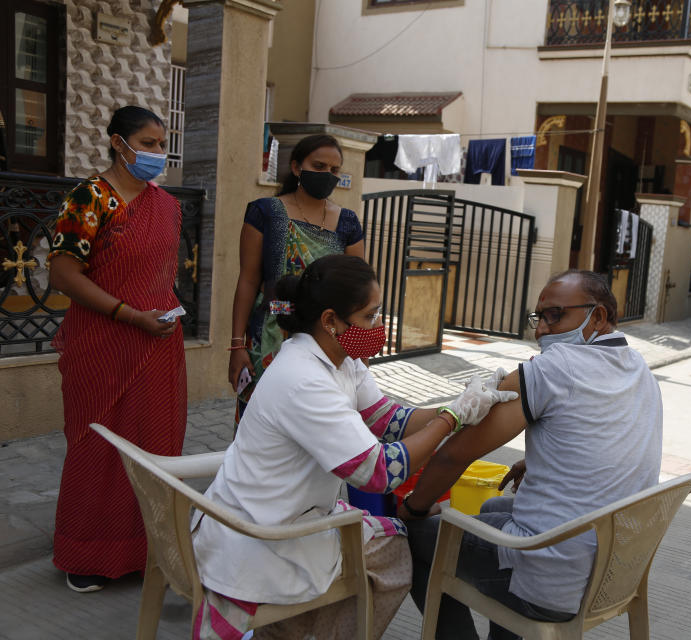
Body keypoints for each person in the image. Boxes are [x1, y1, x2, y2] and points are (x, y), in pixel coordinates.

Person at [192, 254, 517, 640]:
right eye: (370, 316)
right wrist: (452, 418)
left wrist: (463, 402)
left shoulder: (340, 358)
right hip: (261, 536)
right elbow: (379, 472)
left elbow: (388, 419)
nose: (378, 328)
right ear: (330, 320)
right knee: (396, 552)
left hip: (273, 510)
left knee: (385, 537)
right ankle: (298, 629)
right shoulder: (304, 378)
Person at [401, 270, 664, 640]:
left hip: (554, 578)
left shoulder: (552, 369)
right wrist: (544, 463)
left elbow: (452, 457)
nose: (540, 330)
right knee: (493, 510)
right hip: (613, 568)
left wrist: (413, 509)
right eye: (538, 317)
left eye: (555, 316)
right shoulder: (638, 368)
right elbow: (610, 443)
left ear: (599, 317)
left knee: (408, 536)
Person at [48, 106, 187, 593]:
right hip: (103, 343)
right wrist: (129, 315)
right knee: (99, 447)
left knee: (155, 447)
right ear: (117, 143)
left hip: (158, 347)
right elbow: (63, 274)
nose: (156, 153)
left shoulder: (166, 205)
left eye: (159, 143)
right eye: (146, 143)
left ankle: (148, 552)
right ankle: (86, 555)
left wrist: (160, 318)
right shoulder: (90, 197)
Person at [228, 134, 364, 427]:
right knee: (262, 424)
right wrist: (237, 346)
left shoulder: (348, 223)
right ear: (296, 167)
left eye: (334, 170)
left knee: (319, 424)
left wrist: (358, 349)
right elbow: (249, 281)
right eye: (319, 165)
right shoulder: (266, 212)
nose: (327, 174)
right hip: (270, 335)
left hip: (327, 339)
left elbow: (357, 292)